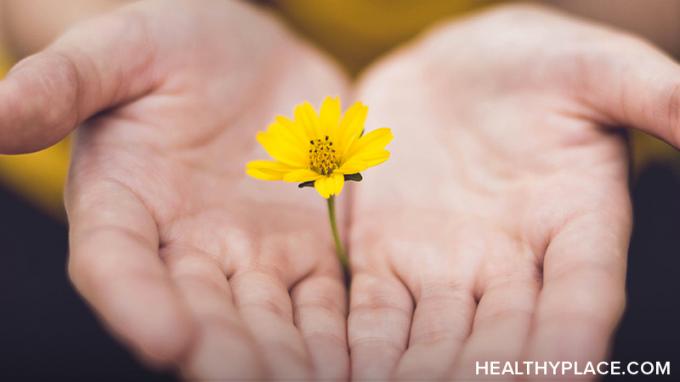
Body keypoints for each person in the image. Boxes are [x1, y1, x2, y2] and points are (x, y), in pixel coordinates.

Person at [0, 0, 679, 380]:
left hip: (544, 174)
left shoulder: (354, 151)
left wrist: (612, 23)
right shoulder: (290, 160)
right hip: (147, 166)